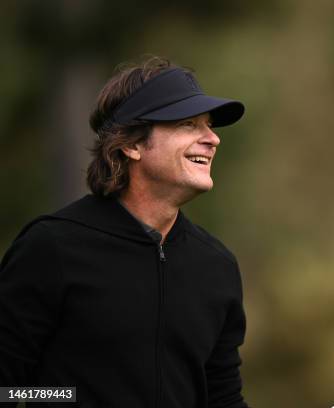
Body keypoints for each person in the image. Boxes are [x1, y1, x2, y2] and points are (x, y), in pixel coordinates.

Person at [0, 57, 248, 407]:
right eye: (189, 124)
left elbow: (223, 400)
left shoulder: (217, 267)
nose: (212, 139)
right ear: (131, 145)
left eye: (209, 126)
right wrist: (68, 397)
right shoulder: (51, 248)